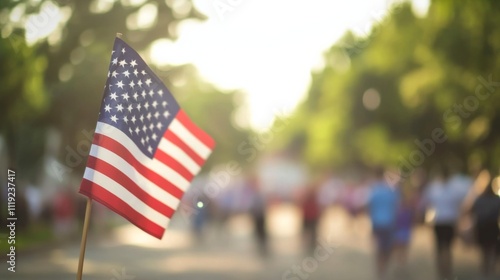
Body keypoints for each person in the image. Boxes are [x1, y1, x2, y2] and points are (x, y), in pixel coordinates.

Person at [421, 167, 468, 280]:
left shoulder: (435, 188)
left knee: (440, 247)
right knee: (447, 247)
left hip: (440, 221)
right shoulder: (454, 189)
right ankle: (447, 271)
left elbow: (426, 202)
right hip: (449, 221)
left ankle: (441, 271)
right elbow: (461, 203)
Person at [368, 168, 400, 280]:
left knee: (379, 248)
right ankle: (384, 269)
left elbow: (369, 206)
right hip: (389, 223)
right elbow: (397, 207)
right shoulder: (392, 190)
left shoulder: (373, 189)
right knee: (387, 249)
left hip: (377, 223)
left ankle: (380, 271)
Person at [470, 177, 500, 277]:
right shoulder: (496, 200)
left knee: (484, 250)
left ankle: (485, 269)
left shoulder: (479, 199)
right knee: (491, 248)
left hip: (482, 226)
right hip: (492, 227)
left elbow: (473, 211)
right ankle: (490, 268)